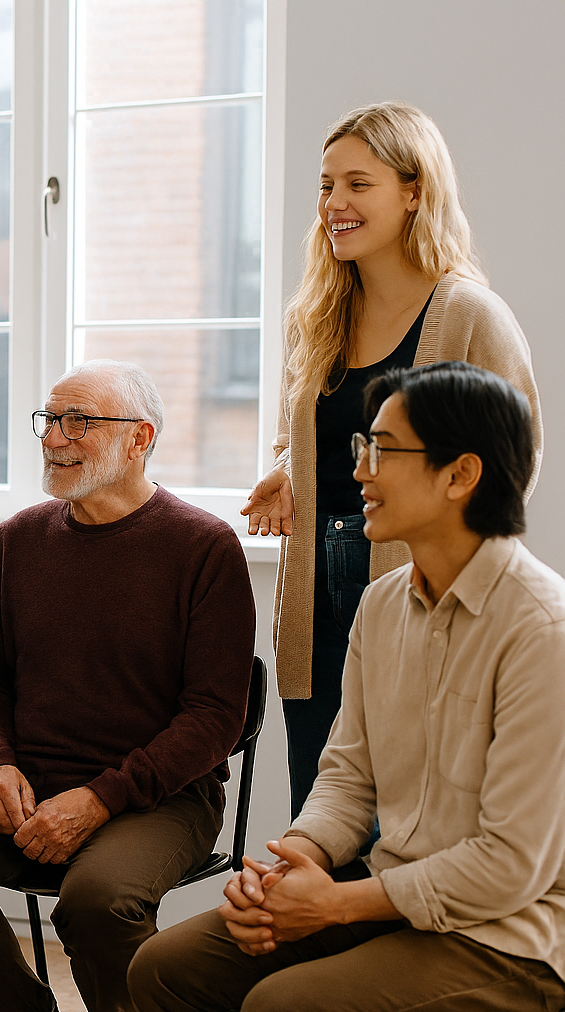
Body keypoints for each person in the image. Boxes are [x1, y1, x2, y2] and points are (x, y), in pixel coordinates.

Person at [130, 362, 565, 1012]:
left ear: (460, 475)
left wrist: (332, 905)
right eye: (365, 447)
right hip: (389, 896)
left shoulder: (543, 631)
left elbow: (508, 865)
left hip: (512, 935)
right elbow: (348, 775)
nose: (360, 470)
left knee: (281, 1007)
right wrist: (292, 865)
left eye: (384, 450)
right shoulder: (386, 603)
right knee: (165, 970)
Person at [0, 360, 255, 1012]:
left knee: (94, 902)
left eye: (79, 422)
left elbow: (214, 718)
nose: (54, 437)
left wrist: (99, 800)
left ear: (139, 439)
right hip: (25, 778)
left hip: (160, 797)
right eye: (50, 420)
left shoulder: (205, 548)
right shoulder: (17, 541)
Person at [238, 101, 542, 817]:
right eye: (324, 185)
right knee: (322, 812)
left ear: (414, 192)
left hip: (421, 597)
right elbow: (297, 434)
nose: (333, 204)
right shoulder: (314, 317)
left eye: (357, 184)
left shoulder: (470, 315)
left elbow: (513, 457)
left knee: (409, 819)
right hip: (318, 596)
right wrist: (286, 472)